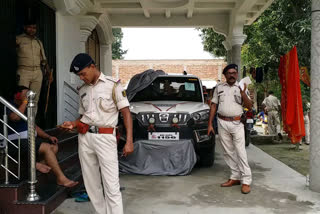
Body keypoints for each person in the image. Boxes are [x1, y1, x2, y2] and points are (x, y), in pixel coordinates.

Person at [61, 53, 134, 214]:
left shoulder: (113, 85)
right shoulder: (82, 90)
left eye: (83, 73)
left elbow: (126, 113)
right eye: (79, 75)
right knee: (92, 184)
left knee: (111, 185)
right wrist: (72, 124)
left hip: (105, 137)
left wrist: (129, 141)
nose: (81, 78)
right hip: (85, 138)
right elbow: (83, 117)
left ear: (92, 67)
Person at [7, 86, 78, 187]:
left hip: (27, 140)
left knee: (53, 146)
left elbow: (34, 126)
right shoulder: (9, 105)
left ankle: (35, 165)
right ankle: (61, 178)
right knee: (46, 148)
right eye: (26, 94)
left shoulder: (26, 107)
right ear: (17, 95)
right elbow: (15, 117)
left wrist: (49, 136)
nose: (29, 96)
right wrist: (25, 101)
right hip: (14, 141)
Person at [207, 64, 253, 194]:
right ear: (225, 75)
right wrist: (210, 124)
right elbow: (213, 105)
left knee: (240, 151)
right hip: (222, 122)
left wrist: (243, 93)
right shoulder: (219, 87)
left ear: (237, 74)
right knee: (227, 152)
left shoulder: (242, 86)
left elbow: (249, 106)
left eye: (234, 73)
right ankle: (235, 177)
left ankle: (246, 181)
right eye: (229, 73)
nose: (232, 75)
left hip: (237, 123)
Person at [16, 19, 51, 114]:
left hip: (37, 73)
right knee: (22, 99)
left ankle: (31, 124)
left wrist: (48, 74)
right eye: (30, 27)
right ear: (25, 27)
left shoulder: (38, 42)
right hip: (24, 72)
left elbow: (44, 60)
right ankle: (21, 125)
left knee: (34, 100)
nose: (32, 30)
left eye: (34, 28)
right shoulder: (18, 39)